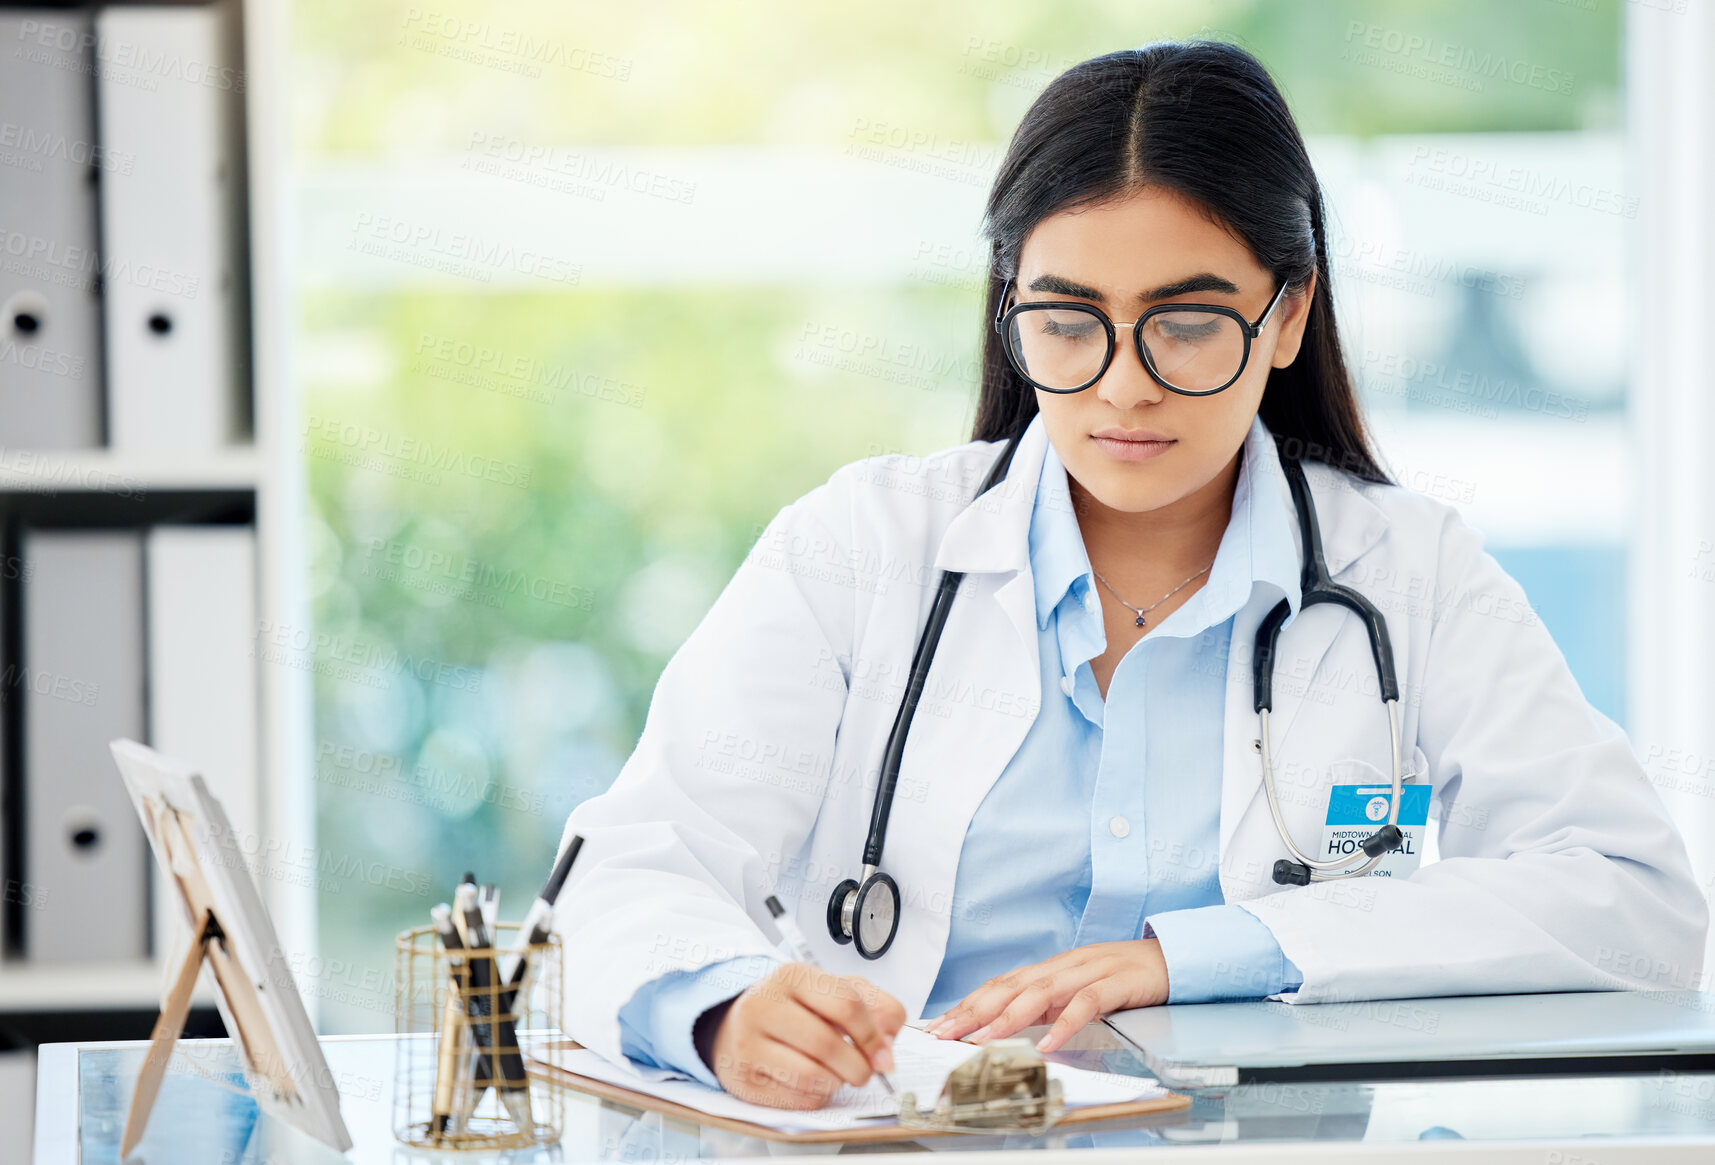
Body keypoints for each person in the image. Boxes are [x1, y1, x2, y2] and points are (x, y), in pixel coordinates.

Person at [548, 40, 1707, 1111]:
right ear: (1010, 306)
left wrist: (1200, 955)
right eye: (1066, 322)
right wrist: (719, 1009)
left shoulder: (1405, 573)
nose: (1121, 388)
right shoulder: (858, 547)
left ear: (1287, 312)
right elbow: (631, 868)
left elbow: (1631, 904)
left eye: (1186, 323)